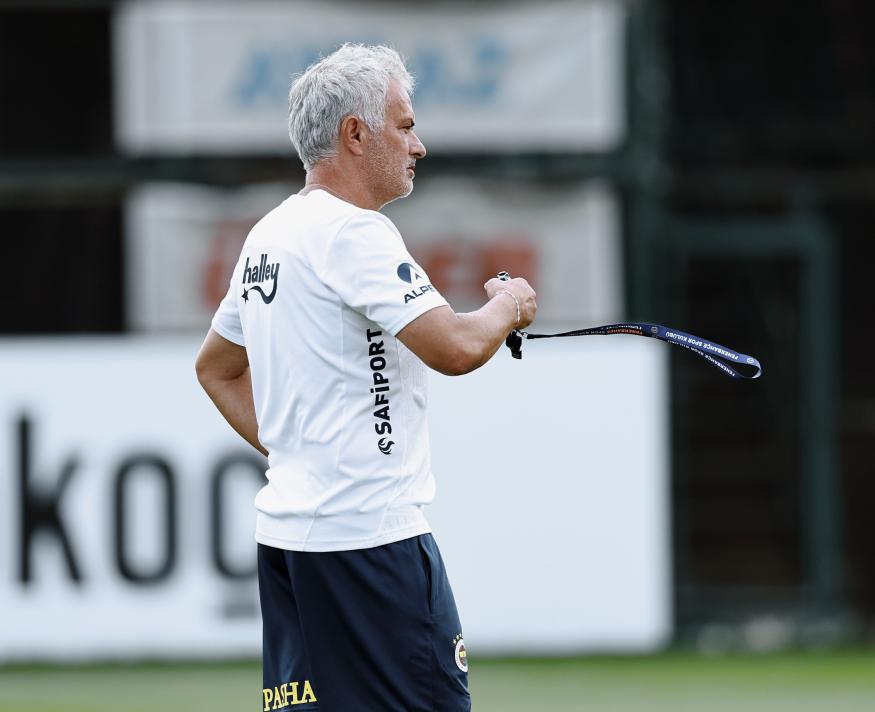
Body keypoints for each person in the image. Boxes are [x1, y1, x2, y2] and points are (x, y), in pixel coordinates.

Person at [195, 43, 536, 712]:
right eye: (405, 126)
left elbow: (216, 368)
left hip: (289, 541)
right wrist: (511, 304)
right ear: (356, 134)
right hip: (371, 544)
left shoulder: (269, 235)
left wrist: (299, 453)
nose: (419, 146)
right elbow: (456, 348)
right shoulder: (353, 233)